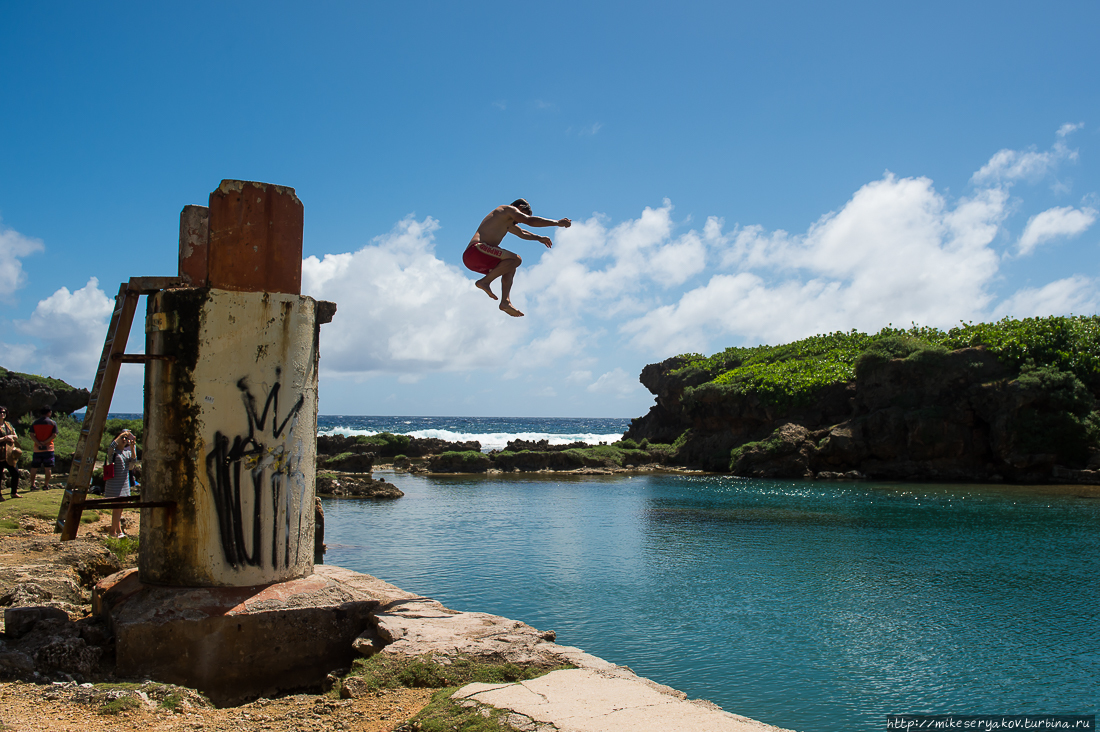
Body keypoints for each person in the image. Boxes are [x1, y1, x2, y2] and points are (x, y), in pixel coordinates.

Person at [463, 199, 571, 317]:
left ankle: (505, 302)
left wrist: (539, 238)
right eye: (521, 215)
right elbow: (529, 221)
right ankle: (485, 282)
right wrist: (557, 223)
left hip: (475, 260)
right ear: (519, 207)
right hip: (476, 250)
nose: (518, 222)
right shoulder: (505, 210)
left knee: (510, 265)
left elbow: (523, 233)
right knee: (516, 259)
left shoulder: (507, 222)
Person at [104, 429, 136, 538]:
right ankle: (115, 532)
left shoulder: (127, 453)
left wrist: (132, 446)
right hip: (114, 484)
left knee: (120, 508)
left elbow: (132, 464)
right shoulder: (113, 452)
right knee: (116, 508)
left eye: (125, 438)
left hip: (124, 484)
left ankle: (117, 530)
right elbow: (111, 446)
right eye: (122, 438)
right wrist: (123, 434)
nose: (124, 439)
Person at [27, 406, 58, 491]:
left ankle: (32, 485)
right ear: (49, 413)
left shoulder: (35, 423)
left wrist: (38, 443)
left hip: (37, 449)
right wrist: (45, 442)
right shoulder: (52, 423)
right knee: (48, 468)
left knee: (34, 467)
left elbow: (31, 435)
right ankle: (46, 485)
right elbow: (54, 435)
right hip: (49, 448)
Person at [0, 406, 21, 500]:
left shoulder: (8, 424)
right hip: (0, 454)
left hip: (9, 453)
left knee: (15, 473)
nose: (2, 414)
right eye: (0, 412)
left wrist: (11, 436)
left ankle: (14, 492)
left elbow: (16, 436)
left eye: (4, 412)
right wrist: (4, 438)